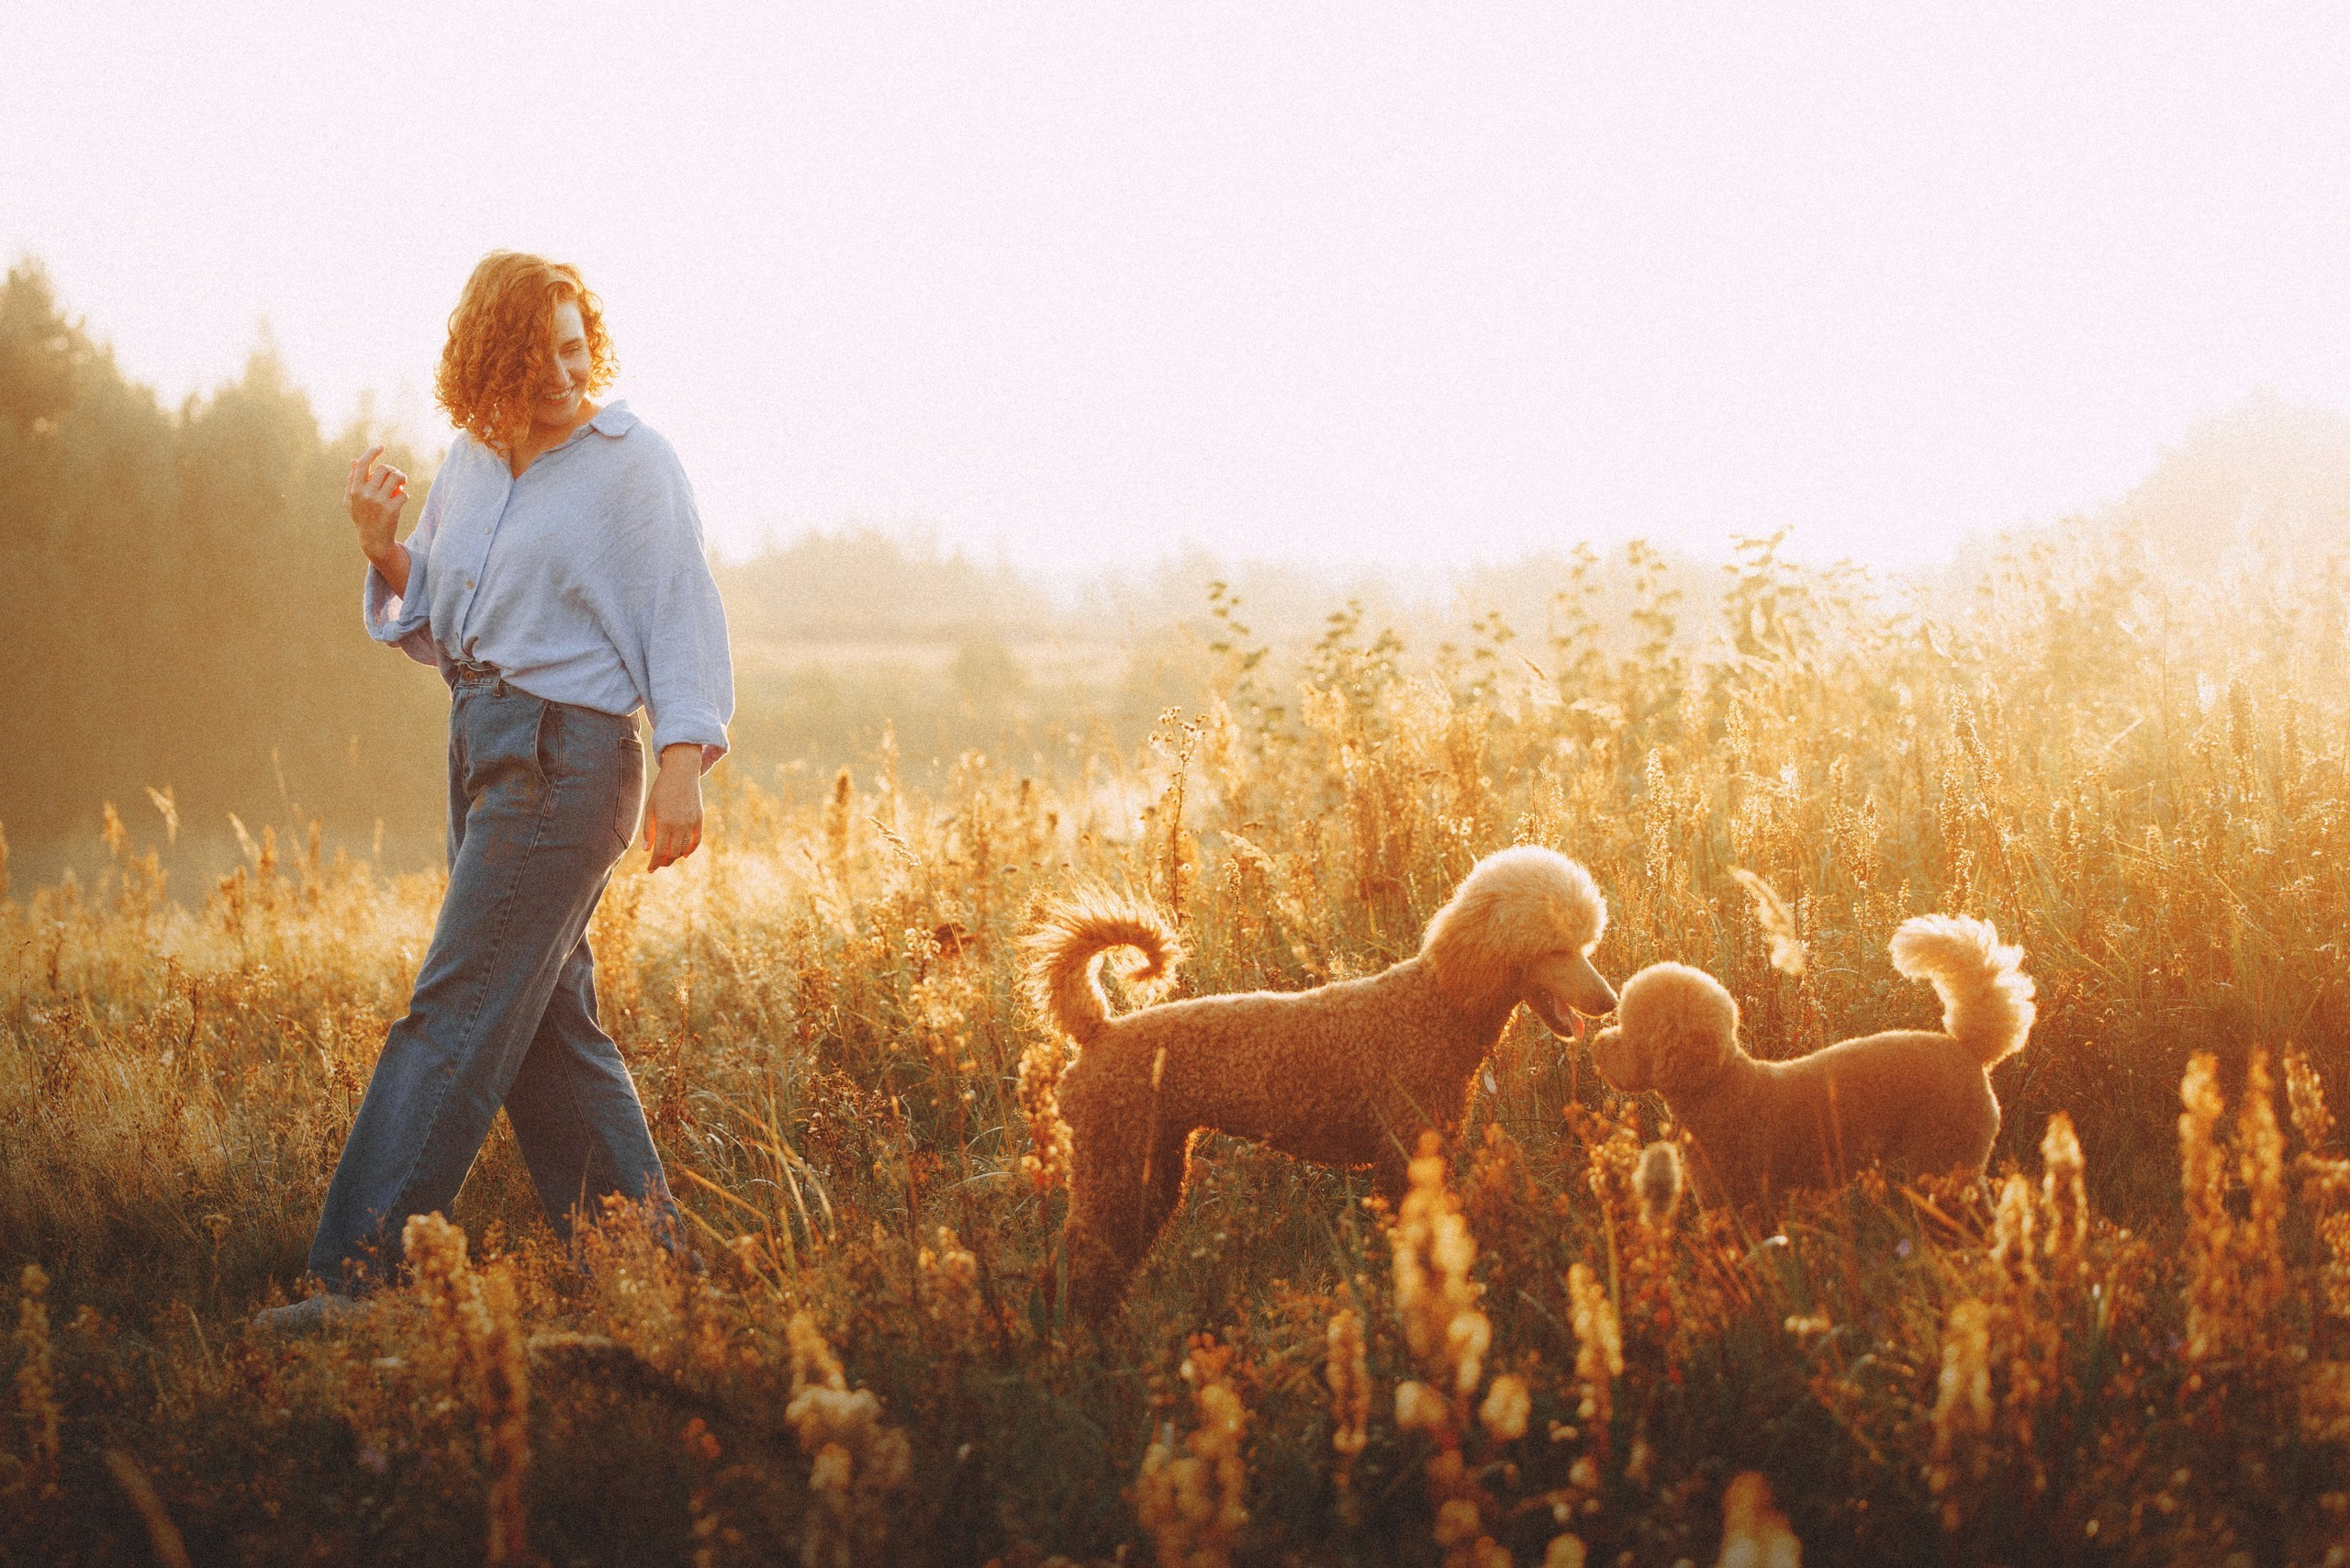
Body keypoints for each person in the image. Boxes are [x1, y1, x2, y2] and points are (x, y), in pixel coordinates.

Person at [258, 252, 733, 1328]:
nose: (564, 372)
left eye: (575, 346)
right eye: (537, 354)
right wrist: (384, 550)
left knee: (457, 1008)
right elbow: (436, 612)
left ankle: (357, 1284)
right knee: (547, 1026)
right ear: (491, 361)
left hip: (574, 757)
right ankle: (650, 1280)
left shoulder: (632, 462)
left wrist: (680, 767)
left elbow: (680, 612)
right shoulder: (472, 462)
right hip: (481, 742)